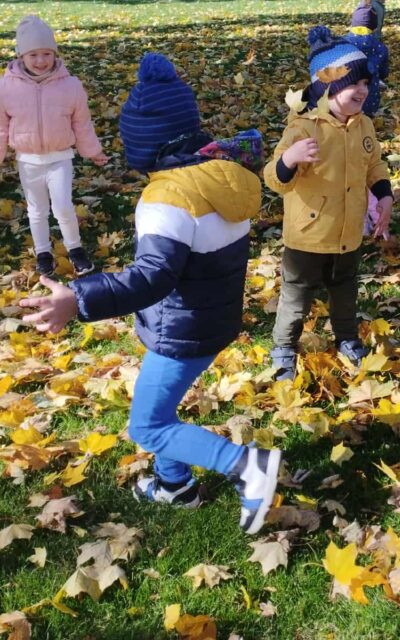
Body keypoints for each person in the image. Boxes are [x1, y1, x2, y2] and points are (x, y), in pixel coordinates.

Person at [19, 53, 281, 534]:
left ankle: (248, 466)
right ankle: (174, 483)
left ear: (143, 143)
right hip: (212, 318)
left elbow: (151, 278)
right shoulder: (222, 175)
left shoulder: (167, 199)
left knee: (148, 425)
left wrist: (76, 299)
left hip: (181, 330)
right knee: (159, 407)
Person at [265, 27, 393, 381]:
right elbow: (274, 180)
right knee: (296, 297)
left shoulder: (363, 125)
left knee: (345, 289)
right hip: (307, 235)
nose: (364, 91)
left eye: (368, 84)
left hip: (348, 231)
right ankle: (283, 347)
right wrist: (289, 159)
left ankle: (347, 337)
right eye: (356, 83)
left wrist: (384, 195)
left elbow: (374, 165)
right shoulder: (303, 129)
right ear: (328, 87)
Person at [0, 15, 107, 276]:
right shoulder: (4, 88)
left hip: (60, 158)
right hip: (28, 161)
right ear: (21, 55)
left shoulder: (70, 86)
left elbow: (82, 123)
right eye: (33, 54)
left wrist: (93, 151)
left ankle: (75, 248)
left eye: (46, 53)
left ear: (55, 54)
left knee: (63, 206)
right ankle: (43, 251)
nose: (40, 61)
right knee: (37, 210)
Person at [343, 5, 390, 116]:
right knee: (366, 121)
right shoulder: (379, 47)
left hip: (345, 97)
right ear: (374, 27)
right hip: (369, 99)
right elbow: (384, 71)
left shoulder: (342, 44)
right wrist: (380, 75)